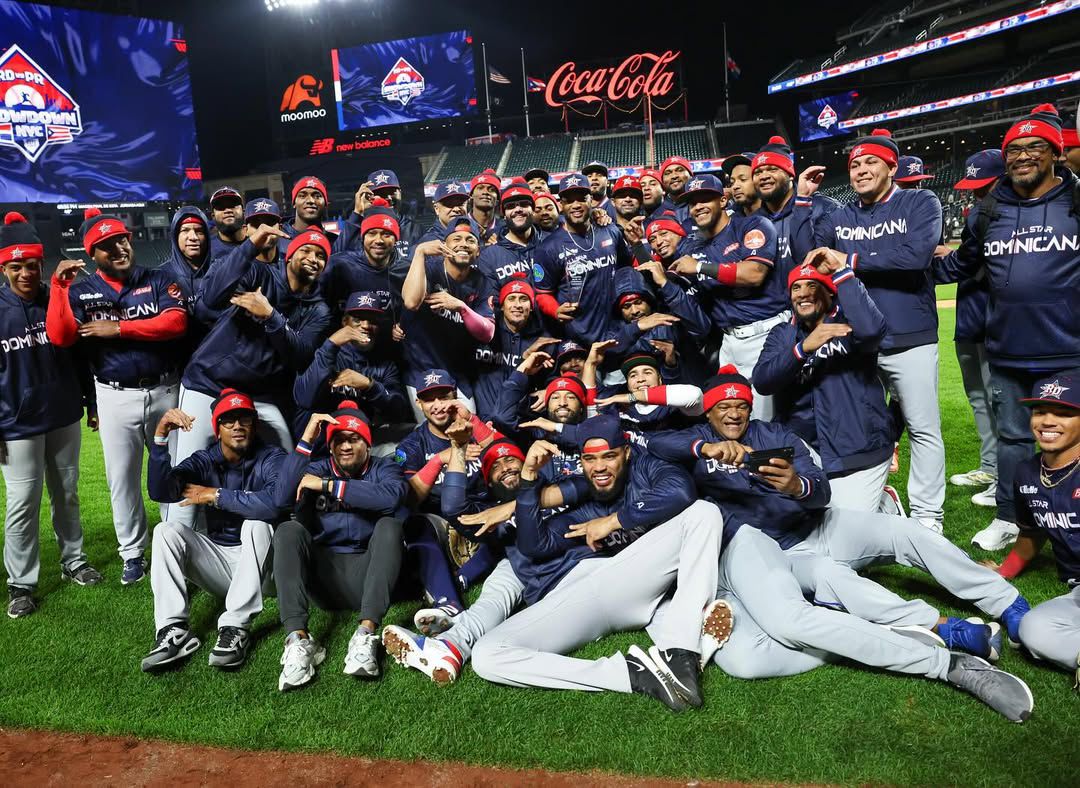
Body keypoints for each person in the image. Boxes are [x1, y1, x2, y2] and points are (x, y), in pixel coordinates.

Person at [645, 375, 1035, 721]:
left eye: (741, 406)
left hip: (814, 527)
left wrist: (796, 486)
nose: (733, 415)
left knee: (906, 533)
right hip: (757, 549)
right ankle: (927, 645)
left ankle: (1007, 604)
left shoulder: (775, 435)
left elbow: (822, 491)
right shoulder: (691, 444)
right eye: (723, 407)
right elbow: (650, 444)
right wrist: (701, 449)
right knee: (758, 651)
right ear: (707, 413)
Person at [470, 416, 727, 712]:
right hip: (590, 593)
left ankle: (680, 652)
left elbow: (681, 491)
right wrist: (528, 479)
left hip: (641, 585)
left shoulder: (646, 467)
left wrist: (614, 521)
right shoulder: (584, 503)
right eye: (590, 459)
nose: (600, 467)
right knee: (488, 655)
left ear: (626, 453)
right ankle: (636, 674)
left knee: (704, 513)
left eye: (609, 456)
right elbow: (534, 546)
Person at [933, 104, 1080, 550]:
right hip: (1008, 350)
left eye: (1034, 147)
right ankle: (1010, 518)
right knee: (1013, 440)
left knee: (1070, 443)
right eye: (1013, 149)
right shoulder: (989, 210)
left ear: (1055, 153)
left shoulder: (1077, 201)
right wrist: (903, 267)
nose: (1022, 156)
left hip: (1068, 350)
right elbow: (964, 263)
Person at [797, 129, 947, 533]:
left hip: (909, 337)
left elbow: (914, 258)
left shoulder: (920, 201)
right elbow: (808, 258)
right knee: (859, 428)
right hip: (855, 341)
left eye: (870, 163)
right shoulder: (841, 215)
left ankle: (929, 517)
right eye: (854, 165)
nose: (861, 170)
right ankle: (877, 498)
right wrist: (802, 201)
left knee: (922, 427)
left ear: (892, 167)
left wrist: (848, 260)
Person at [46, 209, 187, 584]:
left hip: (165, 390)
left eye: (123, 239)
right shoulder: (81, 291)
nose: (120, 248)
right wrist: (59, 289)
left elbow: (176, 322)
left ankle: (179, 544)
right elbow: (61, 337)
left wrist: (119, 328)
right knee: (121, 479)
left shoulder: (158, 278)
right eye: (108, 246)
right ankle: (133, 553)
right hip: (114, 395)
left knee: (173, 469)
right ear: (93, 254)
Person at [176, 217, 331, 487]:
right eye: (305, 250)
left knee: (282, 469)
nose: (313, 258)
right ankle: (178, 530)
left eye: (320, 255)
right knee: (188, 475)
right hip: (208, 384)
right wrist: (249, 246)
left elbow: (300, 357)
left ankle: (273, 527)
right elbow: (211, 297)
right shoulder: (260, 274)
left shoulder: (319, 310)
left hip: (259, 396)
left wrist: (271, 316)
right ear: (289, 255)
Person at [1, 212, 101, 618]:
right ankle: (21, 582)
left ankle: (73, 560)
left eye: (31, 266)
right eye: (15, 266)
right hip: (15, 424)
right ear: (3, 267)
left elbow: (80, 357)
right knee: (22, 502)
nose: (25, 273)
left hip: (62, 414)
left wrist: (90, 402)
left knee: (67, 493)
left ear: (40, 265)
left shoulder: (56, 297)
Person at [142, 390, 284, 672]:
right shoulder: (205, 460)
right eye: (228, 420)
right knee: (166, 531)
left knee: (257, 524)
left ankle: (235, 628)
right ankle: (173, 631)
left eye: (244, 419)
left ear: (254, 425)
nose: (237, 426)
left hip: (264, 570)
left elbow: (273, 505)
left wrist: (216, 495)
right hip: (221, 566)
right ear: (217, 428)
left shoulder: (272, 457)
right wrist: (159, 441)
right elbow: (161, 491)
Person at [273, 405, 408, 690]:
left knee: (390, 526)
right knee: (287, 530)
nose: (345, 446)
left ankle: (365, 635)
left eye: (354, 438)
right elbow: (281, 498)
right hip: (323, 579)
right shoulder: (314, 467)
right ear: (330, 445)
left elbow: (392, 498)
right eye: (338, 439)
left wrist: (327, 486)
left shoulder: (384, 467)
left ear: (367, 444)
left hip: (369, 578)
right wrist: (307, 440)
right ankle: (298, 642)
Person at [754, 262, 892, 510]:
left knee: (846, 536)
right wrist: (803, 348)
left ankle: (887, 506)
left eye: (812, 285)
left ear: (830, 292)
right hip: (803, 446)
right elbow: (763, 381)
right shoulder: (783, 334)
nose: (803, 293)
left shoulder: (850, 325)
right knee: (782, 517)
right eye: (796, 287)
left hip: (855, 449)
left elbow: (873, 331)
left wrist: (842, 271)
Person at [667, 174, 786, 420]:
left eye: (704, 199)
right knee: (731, 418)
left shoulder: (753, 226)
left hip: (766, 334)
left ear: (723, 200)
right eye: (692, 203)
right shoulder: (692, 248)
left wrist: (700, 268)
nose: (697, 207)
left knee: (764, 422)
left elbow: (754, 274)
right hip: (729, 342)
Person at [990, 371, 1079, 681]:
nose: (1048, 421)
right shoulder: (1027, 472)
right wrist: (1005, 570)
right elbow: (1032, 531)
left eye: (1064, 413)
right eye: (1040, 411)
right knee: (1033, 628)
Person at [945, 150, 1005, 509]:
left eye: (985, 186)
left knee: (1001, 401)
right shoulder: (977, 215)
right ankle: (989, 467)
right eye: (975, 188)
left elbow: (974, 263)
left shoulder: (1005, 217)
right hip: (968, 317)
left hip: (996, 321)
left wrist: (945, 261)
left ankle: (1006, 476)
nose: (978, 194)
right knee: (978, 398)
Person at [292, 290, 407, 451]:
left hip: (357, 450)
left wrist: (369, 385)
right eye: (358, 319)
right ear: (345, 321)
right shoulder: (321, 351)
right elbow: (304, 398)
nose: (366, 326)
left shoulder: (385, 366)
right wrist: (331, 344)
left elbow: (398, 411)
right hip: (316, 450)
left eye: (372, 321)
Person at [401, 217, 495, 410]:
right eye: (457, 239)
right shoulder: (427, 268)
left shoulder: (482, 282)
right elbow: (411, 302)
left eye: (470, 240)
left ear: (478, 251)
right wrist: (419, 253)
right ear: (444, 246)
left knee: (468, 428)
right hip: (421, 368)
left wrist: (461, 307)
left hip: (457, 373)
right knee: (435, 429)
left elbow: (487, 333)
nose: (463, 244)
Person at [532, 173, 632, 347]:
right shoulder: (547, 248)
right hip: (576, 340)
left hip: (616, 331)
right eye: (569, 200)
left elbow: (626, 267)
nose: (576, 205)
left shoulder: (610, 230)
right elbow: (542, 293)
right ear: (561, 205)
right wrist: (555, 310)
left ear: (590, 200)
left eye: (581, 198)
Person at [473, 276, 549, 420]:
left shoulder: (541, 341)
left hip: (517, 421)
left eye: (524, 299)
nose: (517, 305)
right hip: (481, 420)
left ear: (532, 307)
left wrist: (548, 390)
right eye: (511, 298)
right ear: (501, 305)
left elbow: (554, 375)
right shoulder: (484, 332)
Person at [161, 206, 213, 365]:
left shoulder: (221, 271)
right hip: (181, 369)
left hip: (220, 365)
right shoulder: (160, 276)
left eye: (199, 231)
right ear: (175, 236)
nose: (193, 237)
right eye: (185, 230)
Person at [477, 184, 541, 290]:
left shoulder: (549, 243)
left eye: (524, 204)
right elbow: (489, 299)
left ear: (533, 210)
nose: (518, 209)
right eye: (510, 206)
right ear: (504, 215)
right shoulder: (489, 256)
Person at [368, 168, 422, 258]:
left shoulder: (416, 230)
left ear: (400, 193)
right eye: (381, 194)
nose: (389, 197)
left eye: (392, 192)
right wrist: (357, 213)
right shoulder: (361, 230)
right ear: (370, 198)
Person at [207, 186, 245, 257]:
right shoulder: (206, 250)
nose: (227, 210)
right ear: (213, 216)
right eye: (220, 207)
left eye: (232, 205)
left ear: (243, 212)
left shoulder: (257, 243)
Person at [468, 170, 503, 239]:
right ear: (471, 195)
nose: (485, 192)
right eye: (480, 188)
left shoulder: (505, 229)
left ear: (497, 199)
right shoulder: (458, 224)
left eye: (492, 190)